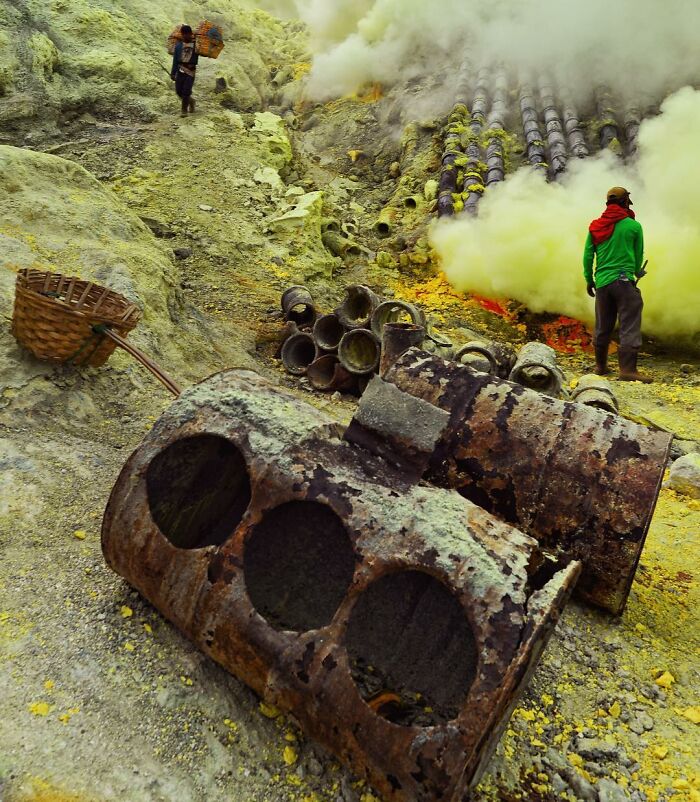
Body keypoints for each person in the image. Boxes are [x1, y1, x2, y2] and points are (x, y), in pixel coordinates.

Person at [583, 186, 652, 383]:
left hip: (603, 283)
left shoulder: (595, 226)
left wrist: (590, 280)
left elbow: (588, 256)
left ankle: (601, 366)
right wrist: (637, 271)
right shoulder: (633, 226)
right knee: (629, 323)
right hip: (623, 282)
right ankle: (628, 370)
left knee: (603, 325)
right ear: (624, 202)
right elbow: (638, 255)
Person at [171, 25, 198, 116]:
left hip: (190, 71)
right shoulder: (178, 46)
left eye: (187, 34)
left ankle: (184, 111)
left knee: (186, 91)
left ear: (191, 34)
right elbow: (175, 60)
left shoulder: (196, 45)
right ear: (182, 35)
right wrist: (173, 72)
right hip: (180, 69)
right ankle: (191, 101)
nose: (186, 36)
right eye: (184, 34)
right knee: (179, 91)